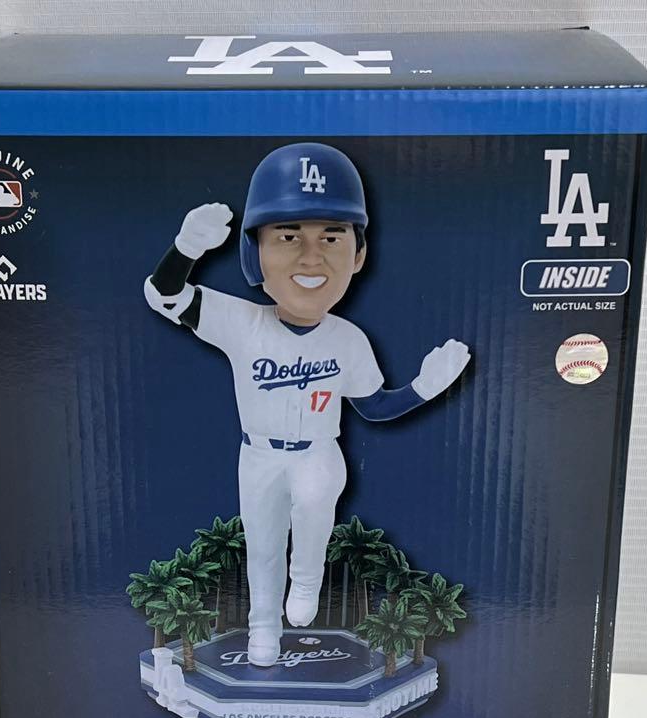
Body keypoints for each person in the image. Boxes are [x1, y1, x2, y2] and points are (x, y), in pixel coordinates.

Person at [144, 143, 470, 667]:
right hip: (258, 454)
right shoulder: (242, 323)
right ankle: (263, 628)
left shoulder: (348, 339)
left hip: (318, 448)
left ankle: (307, 581)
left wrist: (423, 389)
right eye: (288, 236)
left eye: (332, 237)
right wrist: (185, 249)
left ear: (358, 255)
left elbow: (373, 408)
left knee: (317, 498)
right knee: (263, 545)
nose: (311, 257)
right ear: (255, 253)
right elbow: (164, 296)